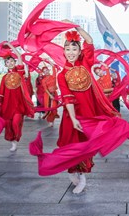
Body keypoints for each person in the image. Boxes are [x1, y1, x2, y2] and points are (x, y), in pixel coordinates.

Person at [57, 22, 118, 194]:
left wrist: (76, 28)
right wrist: (73, 118)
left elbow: (89, 41)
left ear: (79, 51)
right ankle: (73, 171)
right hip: (72, 115)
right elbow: (67, 98)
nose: (70, 53)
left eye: (74, 49)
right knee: (71, 144)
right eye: (67, 49)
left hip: (89, 112)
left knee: (85, 145)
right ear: (63, 51)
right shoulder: (61, 75)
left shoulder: (86, 62)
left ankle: (82, 177)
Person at [0, 42, 34, 152]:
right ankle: (13, 142)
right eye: (7, 62)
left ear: (15, 62)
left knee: (16, 122)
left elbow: (19, 56)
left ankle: (17, 138)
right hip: (7, 106)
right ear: (5, 64)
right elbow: (0, 93)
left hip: (18, 105)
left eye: (11, 61)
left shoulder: (19, 72)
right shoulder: (4, 77)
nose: (10, 63)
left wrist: (10, 46)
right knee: (9, 125)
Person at [41, 61, 59, 127]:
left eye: (46, 70)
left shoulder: (53, 76)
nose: (46, 72)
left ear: (49, 70)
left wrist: (47, 60)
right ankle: (50, 121)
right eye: (44, 71)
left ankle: (52, 120)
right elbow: (45, 89)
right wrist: (50, 95)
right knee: (49, 108)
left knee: (54, 108)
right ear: (43, 73)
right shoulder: (43, 80)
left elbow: (53, 66)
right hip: (48, 95)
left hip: (54, 93)